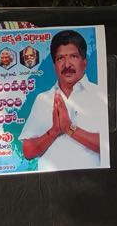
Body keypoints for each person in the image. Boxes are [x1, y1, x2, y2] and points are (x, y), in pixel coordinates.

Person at [19, 30, 104, 171]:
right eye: (60, 58)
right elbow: (28, 152)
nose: (67, 64)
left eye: (73, 56)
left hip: (90, 184)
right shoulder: (43, 99)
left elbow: (111, 145)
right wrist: (54, 131)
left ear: (85, 62)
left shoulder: (100, 95)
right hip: (50, 187)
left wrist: (69, 129)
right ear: (54, 66)